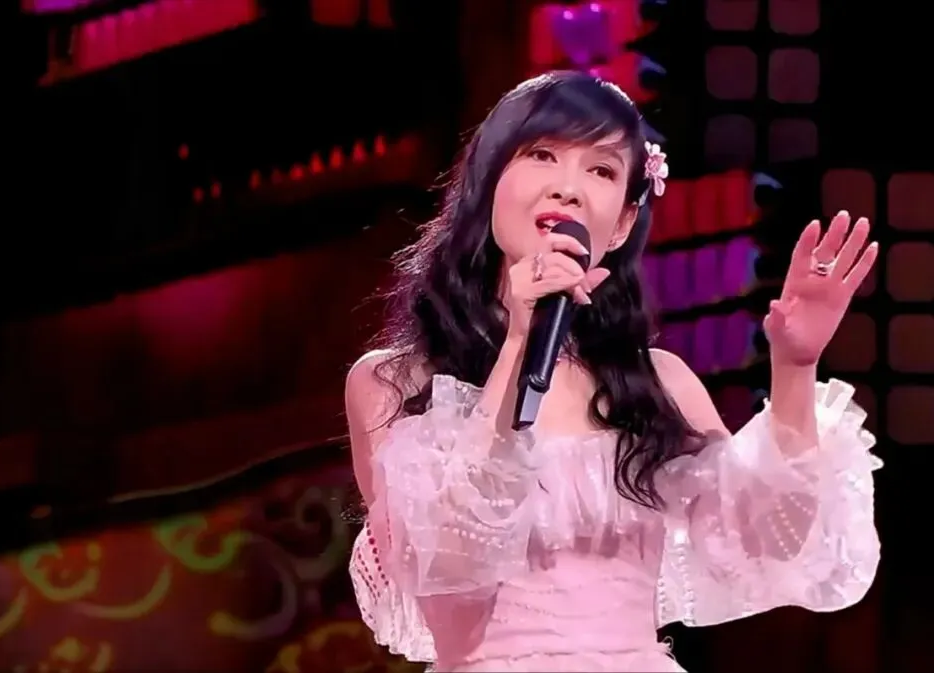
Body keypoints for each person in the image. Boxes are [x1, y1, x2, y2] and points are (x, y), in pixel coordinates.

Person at [344, 71, 881, 672]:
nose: (568, 188)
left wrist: (794, 367)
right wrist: (520, 340)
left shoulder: (658, 383)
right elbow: (449, 565)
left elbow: (770, 542)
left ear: (623, 223)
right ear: (489, 179)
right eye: (542, 155)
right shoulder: (394, 382)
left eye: (600, 170)